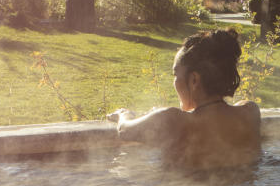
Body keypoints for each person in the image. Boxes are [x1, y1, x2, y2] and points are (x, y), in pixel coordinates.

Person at [109, 29, 261, 169]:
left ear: (194, 80)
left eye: (176, 75)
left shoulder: (172, 120)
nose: (174, 81)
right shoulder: (249, 113)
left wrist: (124, 114)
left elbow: (124, 130)